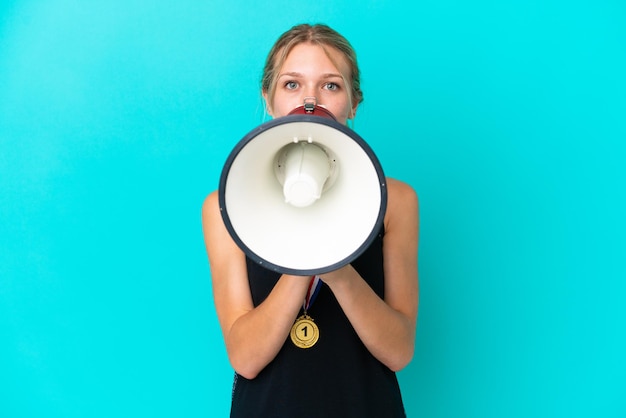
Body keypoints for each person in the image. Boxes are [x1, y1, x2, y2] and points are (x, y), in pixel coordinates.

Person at [202, 23, 419, 418]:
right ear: (268, 99)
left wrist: (336, 262)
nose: (309, 101)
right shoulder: (225, 205)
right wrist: (306, 238)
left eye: (331, 86)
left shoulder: (396, 201)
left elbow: (399, 350)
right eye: (291, 85)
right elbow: (246, 358)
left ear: (354, 103)